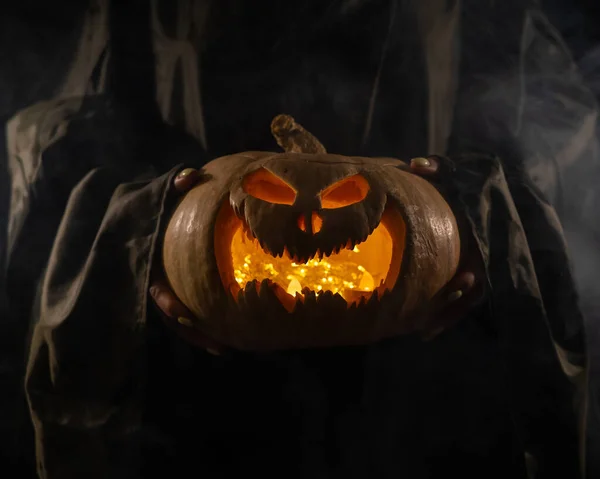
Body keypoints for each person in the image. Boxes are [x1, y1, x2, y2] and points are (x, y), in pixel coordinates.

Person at [2, 0, 592, 477]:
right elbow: (54, 141)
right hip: (189, 378)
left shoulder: (487, 17)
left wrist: (486, 209)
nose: (310, 220)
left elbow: (557, 132)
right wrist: (139, 224)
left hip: (427, 374)